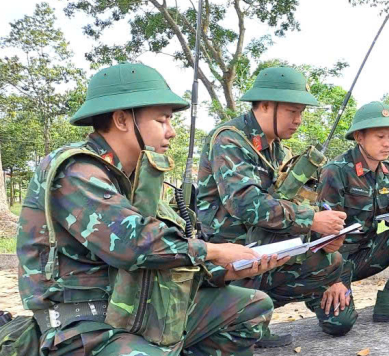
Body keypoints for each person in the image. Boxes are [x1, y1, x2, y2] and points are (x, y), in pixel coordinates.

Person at [17, 63, 281, 356]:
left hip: (138, 309)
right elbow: (134, 244)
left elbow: (168, 251)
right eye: (162, 120)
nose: (171, 132)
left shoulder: (135, 180)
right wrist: (214, 251)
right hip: (86, 326)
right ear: (122, 119)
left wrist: (223, 270)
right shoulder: (76, 171)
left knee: (251, 307)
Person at [196, 66, 347, 345]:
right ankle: (235, 320)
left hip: (265, 246)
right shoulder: (229, 139)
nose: (298, 120)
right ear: (265, 105)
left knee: (330, 262)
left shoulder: (277, 149)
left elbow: (283, 201)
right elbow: (244, 203)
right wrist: (311, 220)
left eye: (301, 112)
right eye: (292, 111)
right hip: (231, 253)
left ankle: (253, 317)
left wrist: (322, 233)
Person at [316, 101, 389, 335]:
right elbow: (323, 233)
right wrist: (332, 279)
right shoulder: (336, 171)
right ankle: (328, 290)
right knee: (339, 324)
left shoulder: (388, 172)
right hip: (336, 259)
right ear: (359, 137)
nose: (388, 143)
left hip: (366, 254)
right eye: (380, 136)